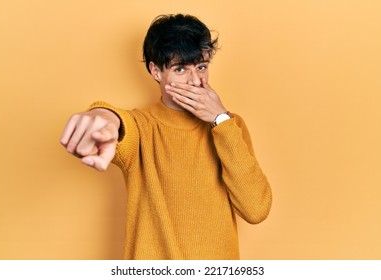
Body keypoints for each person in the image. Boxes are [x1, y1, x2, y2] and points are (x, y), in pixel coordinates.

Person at [60, 14, 272, 260]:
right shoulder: (142, 128)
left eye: (201, 67)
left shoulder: (230, 127)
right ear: (156, 71)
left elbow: (256, 210)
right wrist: (103, 116)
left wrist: (220, 120)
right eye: (180, 69)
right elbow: (119, 122)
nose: (195, 81)